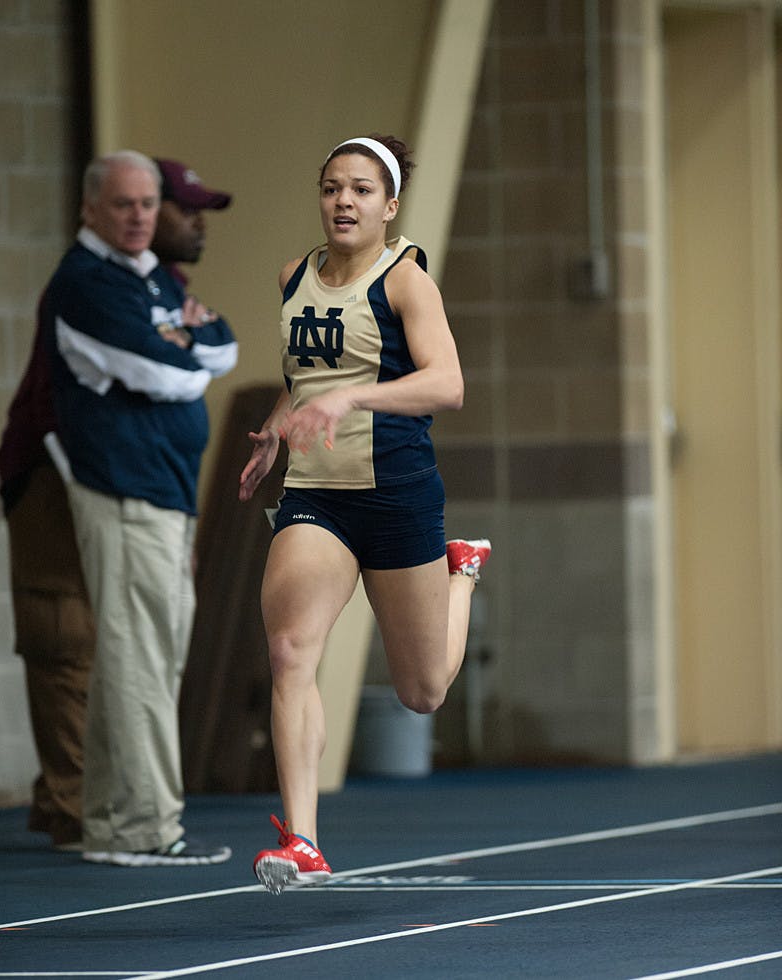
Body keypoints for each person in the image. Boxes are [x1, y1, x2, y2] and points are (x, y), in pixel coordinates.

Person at [238, 134, 491, 894]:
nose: (343, 201)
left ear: (389, 205)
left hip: (397, 493)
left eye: (359, 189)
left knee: (423, 693)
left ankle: (462, 573)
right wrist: (279, 429)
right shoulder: (292, 277)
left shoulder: (406, 281)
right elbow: (307, 376)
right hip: (316, 497)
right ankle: (303, 839)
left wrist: (357, 397)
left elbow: (447, 384)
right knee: (289, 652)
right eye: (330, 188)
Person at [0, 155, 235, 854]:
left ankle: (104, 816)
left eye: (149, 204)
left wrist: (183, 340)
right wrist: (179, 344)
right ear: (90, 209)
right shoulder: (89, 283)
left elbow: (222, 344)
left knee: (147, 656)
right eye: (125, 204)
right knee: (128, 659)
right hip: (117, 488)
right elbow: (170, 373)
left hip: (161, 491)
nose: (141, 216)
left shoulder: (150, 278)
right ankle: (139, 827)